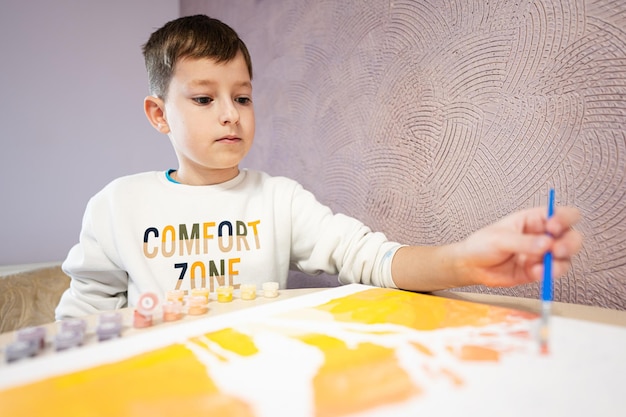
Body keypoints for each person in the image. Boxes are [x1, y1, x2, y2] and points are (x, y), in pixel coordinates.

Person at [55, 15, 582, 319]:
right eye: (202, 99)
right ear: (158, 114)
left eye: (242, 97)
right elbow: (81, 316)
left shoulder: (279, 199)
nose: (229, 115)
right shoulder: (116, 205)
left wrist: (464, 261)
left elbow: (369, 257)